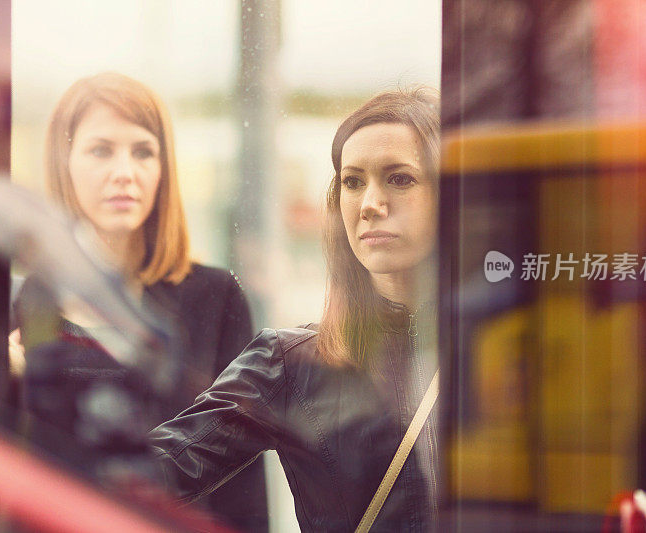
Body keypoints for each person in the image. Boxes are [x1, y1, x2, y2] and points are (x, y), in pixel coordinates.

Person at [149, 88, 441, 532]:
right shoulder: (289, 363)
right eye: (353, 181)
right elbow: (148, 474)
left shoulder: (511, 347)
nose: (369, 205)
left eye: (399, 178)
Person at [12, 72, 269, 532]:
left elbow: (242, 482)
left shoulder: (216, 297)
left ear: (163, 168)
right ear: (63, 162)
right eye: (101, 150)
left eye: (143, 151)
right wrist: (13, 386)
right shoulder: (25, 306)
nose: (125, 172)